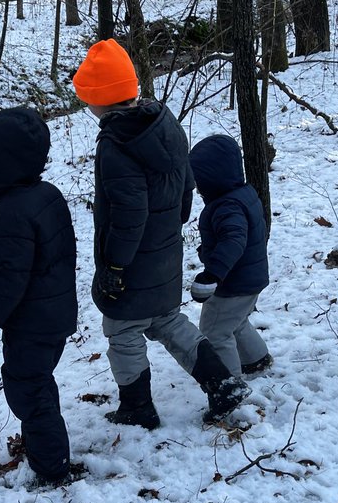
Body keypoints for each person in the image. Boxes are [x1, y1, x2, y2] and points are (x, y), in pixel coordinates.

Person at [71, 39, 249, 427]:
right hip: (164, 249)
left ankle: (137, 408)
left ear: (99, 99)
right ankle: (223, 384)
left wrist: (114, 265)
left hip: (132, 258)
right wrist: (172, 226)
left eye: (87, 96)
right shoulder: (163, 123)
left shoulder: (117, 143)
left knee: (122, 330)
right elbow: (185, 184)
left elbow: (128, 215)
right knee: (168, 321)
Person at [0, 106, 78, 488]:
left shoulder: (10, 214)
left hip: (32, 322)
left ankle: (52, 468)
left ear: (1, 166)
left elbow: (9, 280)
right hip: (56, 315)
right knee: (38, 382)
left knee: (27, 389)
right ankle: (42, 447)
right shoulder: (47, 194)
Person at [188, 133, 272, 377]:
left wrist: (212, 273)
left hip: (232, 282)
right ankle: (257, 360)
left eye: (200, 179)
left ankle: (229, 385)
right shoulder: (243, 193)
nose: (198, 186)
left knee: (215, 331)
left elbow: (234, 240)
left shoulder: (227, 206)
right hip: (251, 278)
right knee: (237, 322)